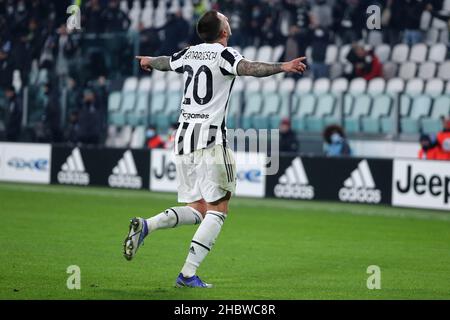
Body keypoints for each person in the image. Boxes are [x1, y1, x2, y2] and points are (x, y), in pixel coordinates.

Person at [128, 10, 306, 288]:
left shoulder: (190, 53)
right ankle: (187, 274)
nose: (229, 22)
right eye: (226, 19)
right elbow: (249, 68)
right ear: (223, 31)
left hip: (183, 138)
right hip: (210, 139)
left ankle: (146, 226)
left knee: (198, 208)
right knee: (219, 210)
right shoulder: (224, 54)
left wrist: (150, 60)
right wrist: (283, 66)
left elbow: (166, 62)